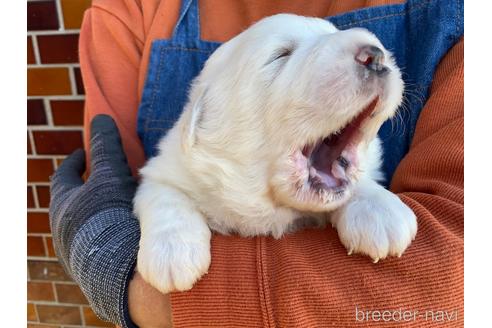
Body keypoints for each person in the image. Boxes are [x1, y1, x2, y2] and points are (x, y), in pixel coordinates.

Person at [49, 0, 464, 327]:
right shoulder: (134, 8)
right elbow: (145, 183)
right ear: (200, 121)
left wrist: (141, 293)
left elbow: (453, 281)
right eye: (280, 57)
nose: (374, 59)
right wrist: (168, 215)